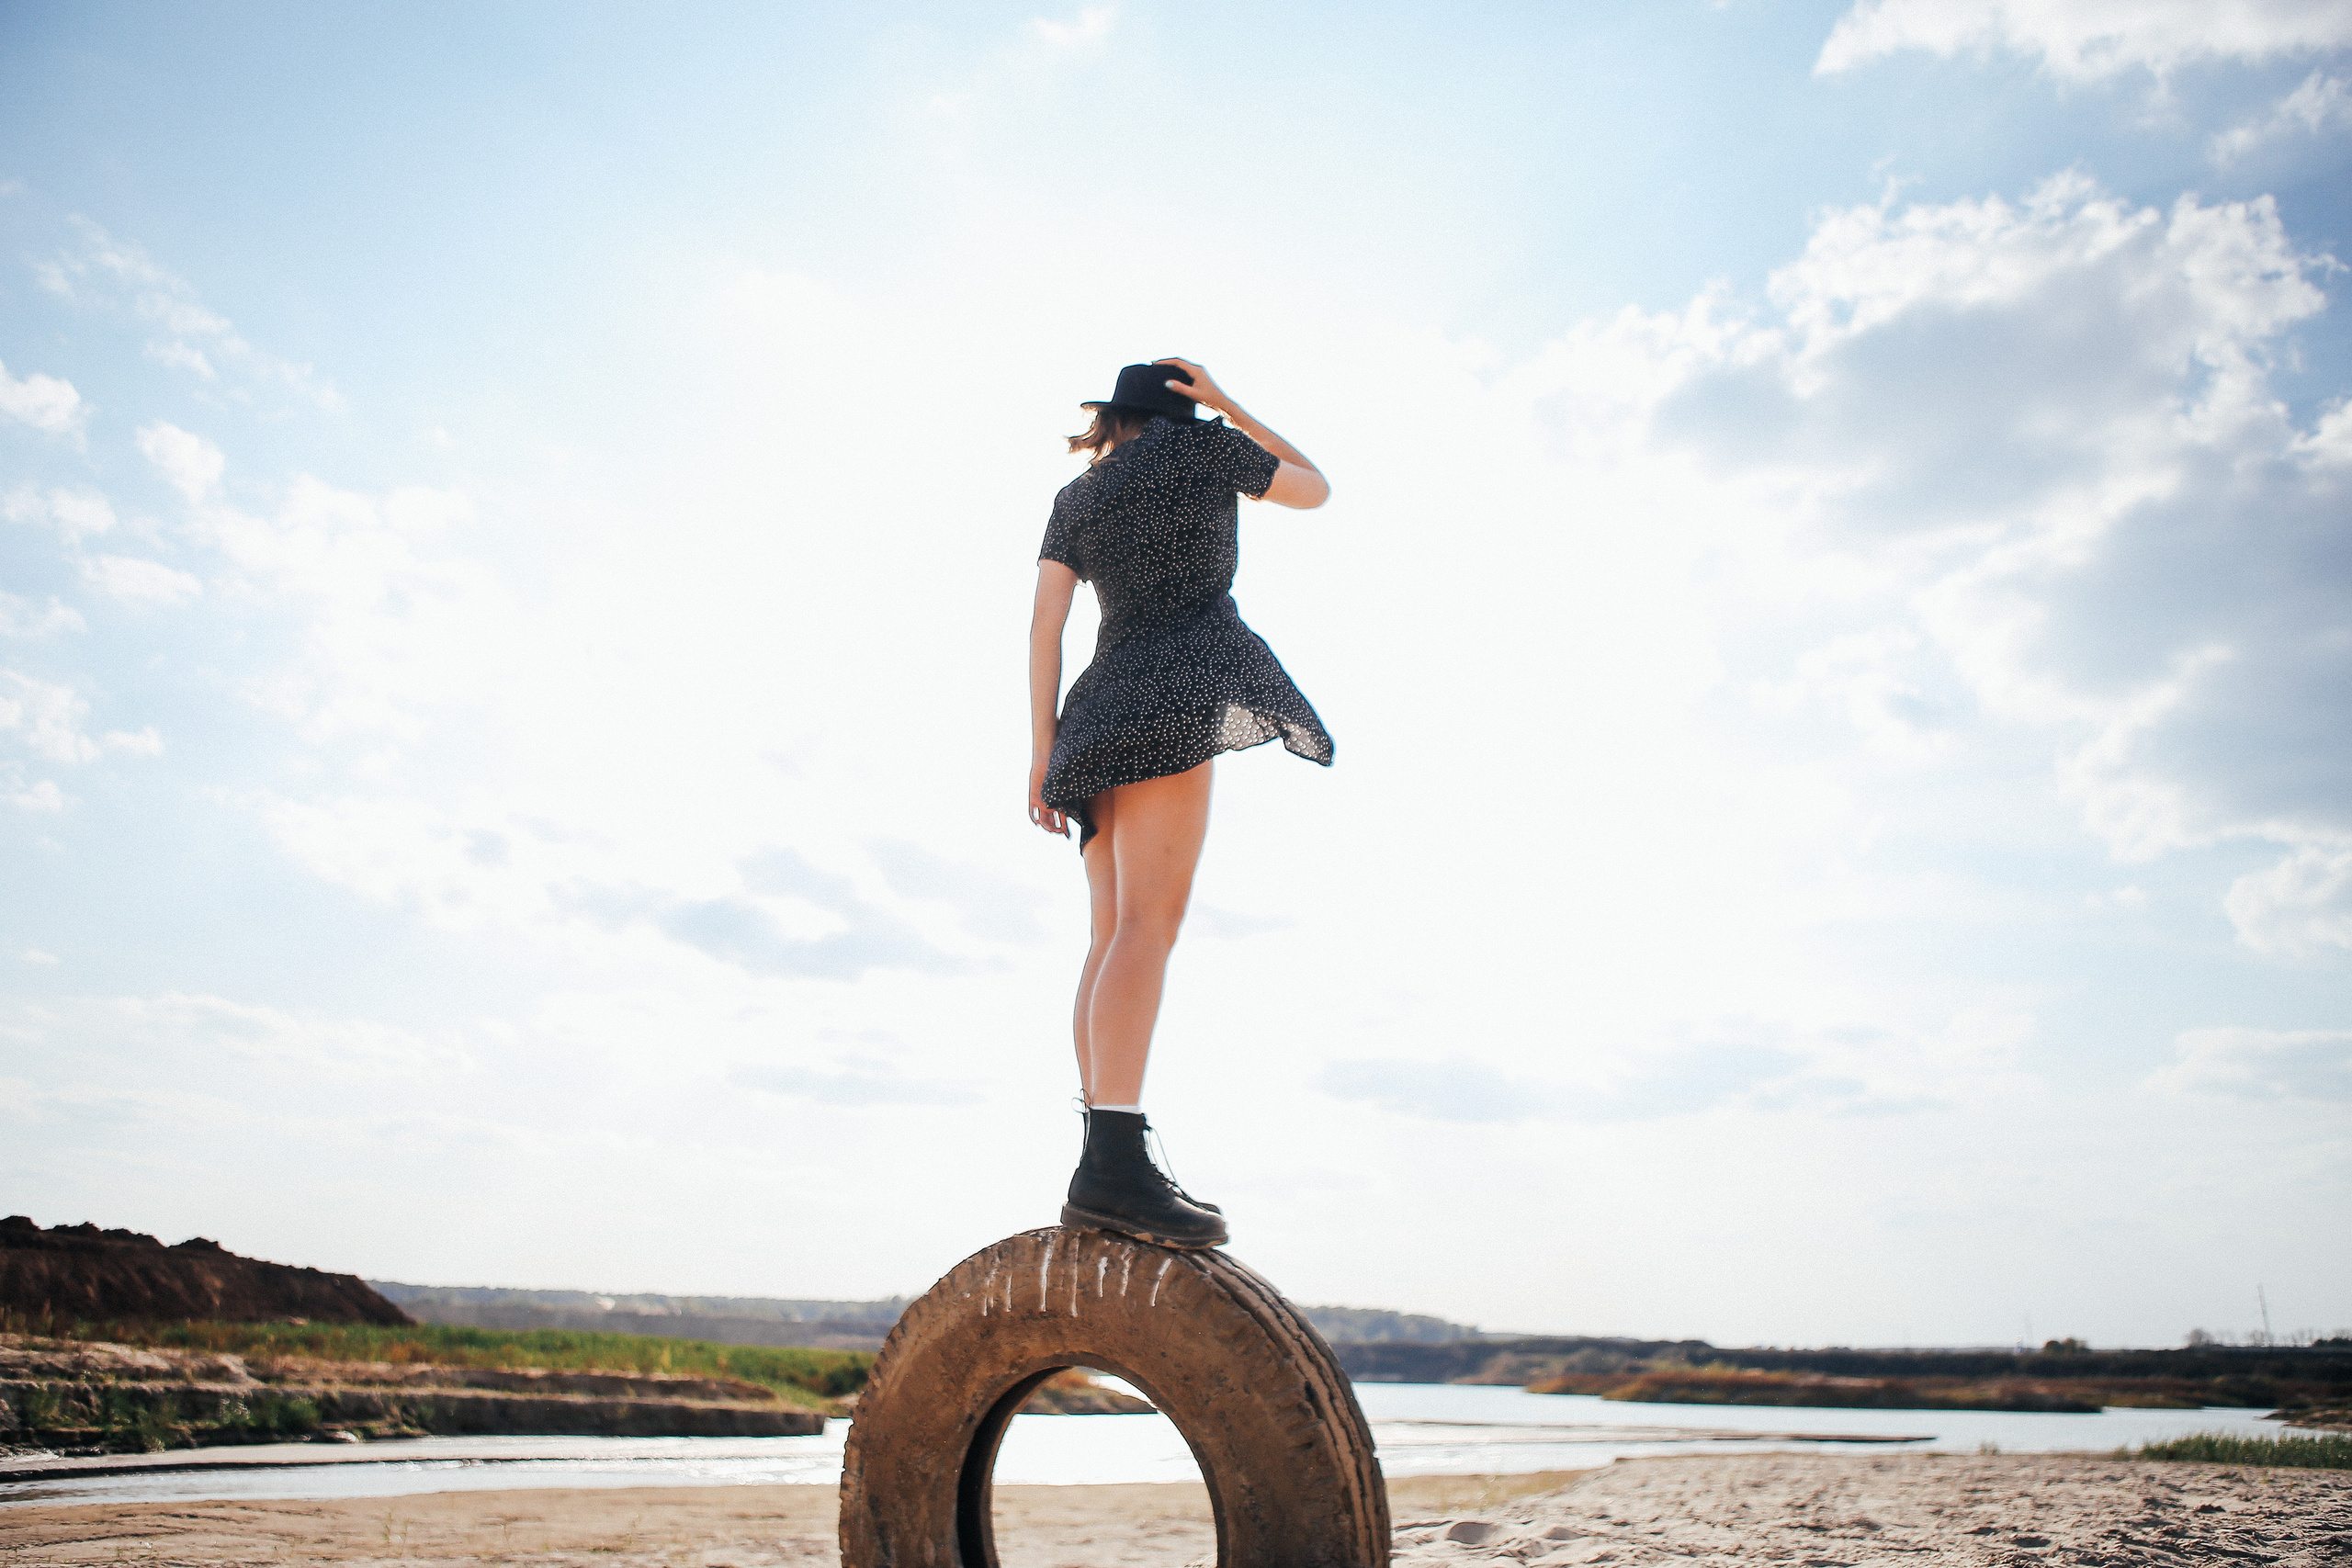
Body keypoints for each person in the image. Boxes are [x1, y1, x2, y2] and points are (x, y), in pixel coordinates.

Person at [1028, 358, 1333, 1249]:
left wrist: (1043, 752)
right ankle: (1113, 1162)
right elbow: (1314, 490)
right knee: (1147, 929)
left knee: (1110, 933)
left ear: (1113, 417)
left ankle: (1104, 1150)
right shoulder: (1206, 455)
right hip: (1174, 690)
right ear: (1181, 412)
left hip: (1092, 713)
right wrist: (1230, 406)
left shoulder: (1074, 499)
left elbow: (1045, 624)